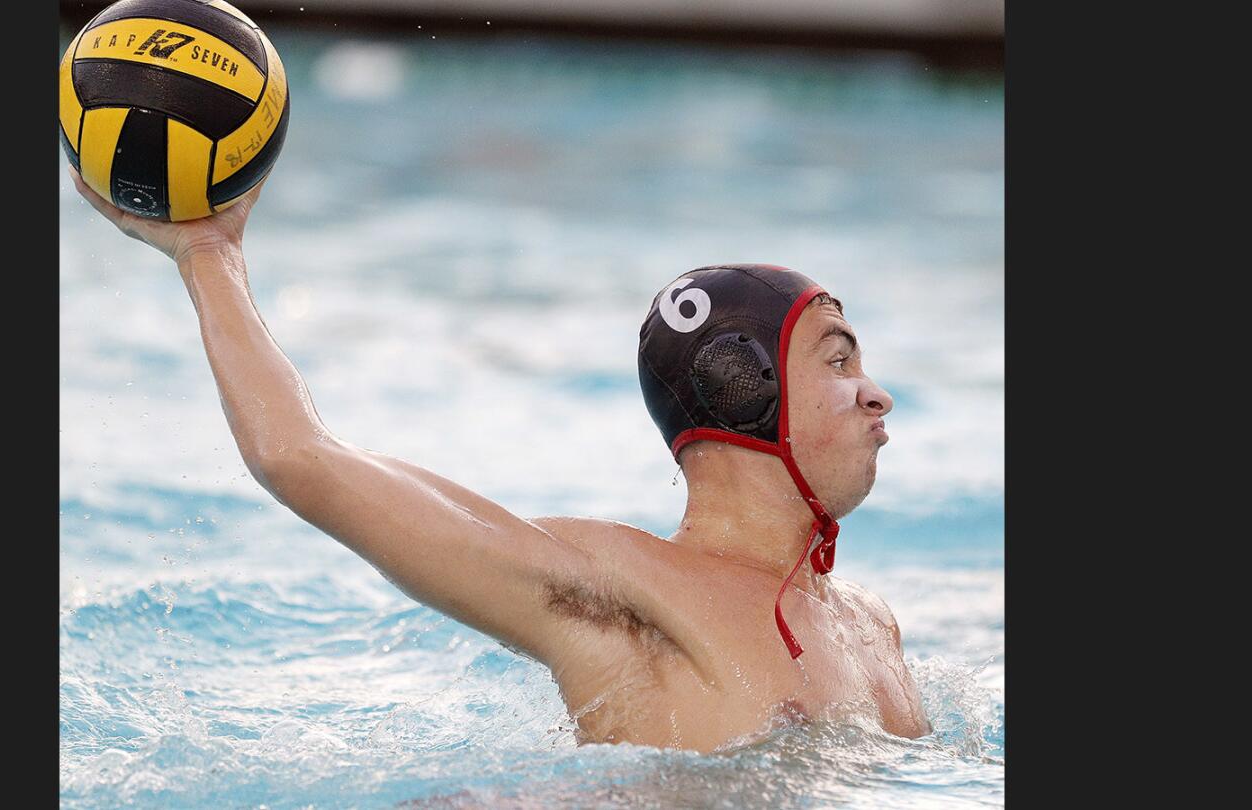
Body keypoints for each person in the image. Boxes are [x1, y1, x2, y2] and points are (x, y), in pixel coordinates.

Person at [67, 170, 931, 752]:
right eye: (837, 359)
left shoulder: (870, 624)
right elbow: (300, 458)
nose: (877, 392)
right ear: (744, 388)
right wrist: (210, 254)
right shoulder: (622, 593)